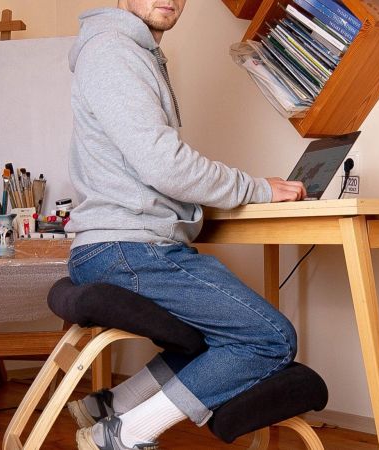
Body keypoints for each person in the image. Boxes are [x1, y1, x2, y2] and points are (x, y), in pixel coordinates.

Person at [64, 1, 307, 449]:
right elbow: (164, 165)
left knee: (214, 333)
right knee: (269, 338)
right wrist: (257, 188)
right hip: (130, 246)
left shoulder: (131, 51)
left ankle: (111, 406)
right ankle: (124, 435)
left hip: (122, 244)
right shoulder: (115, 51)